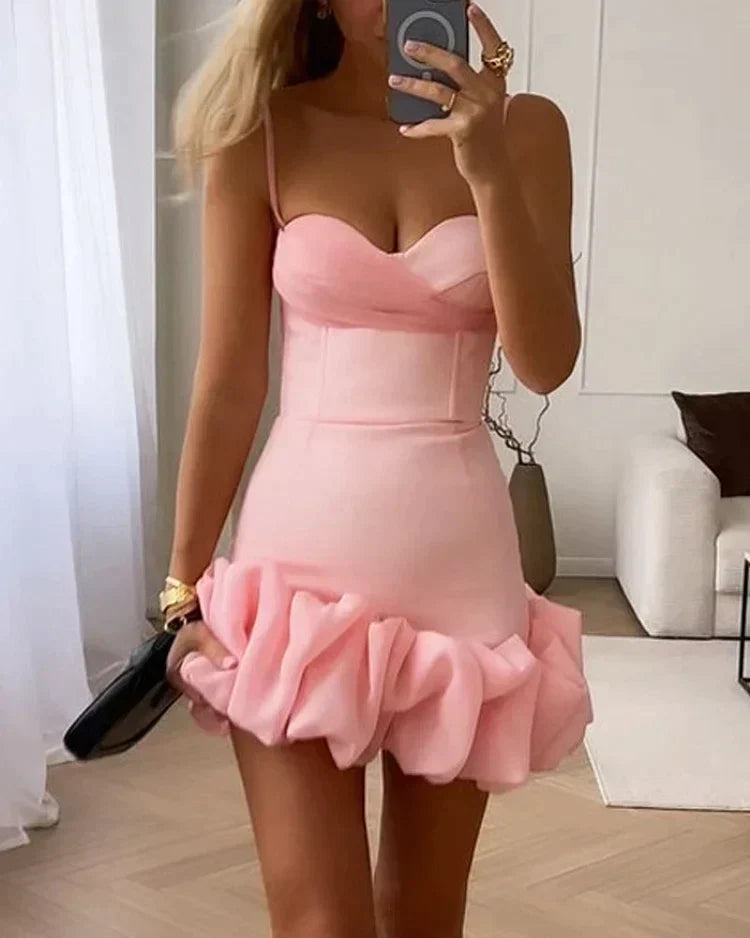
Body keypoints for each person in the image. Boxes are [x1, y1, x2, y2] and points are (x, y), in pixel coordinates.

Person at [161, 1, 592, 936]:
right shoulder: (263, 133)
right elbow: (229, 382)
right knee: (321, 924)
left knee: (424, 920)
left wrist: (486, 169)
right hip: (295, 582)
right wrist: (181, 588)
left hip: (460, 576)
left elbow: (546, 361)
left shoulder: (527, 131)